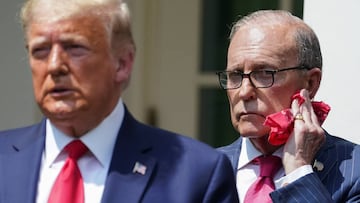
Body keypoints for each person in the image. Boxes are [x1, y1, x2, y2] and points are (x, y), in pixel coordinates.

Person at [0, 0, 239, 202]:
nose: (54, 66)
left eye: (74, 48)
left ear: (122, 64)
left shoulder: (197, 174)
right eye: (40, 50)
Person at [217, 10, 360, 202]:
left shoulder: (354, 171)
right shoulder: (200, 170)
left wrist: (299, 171)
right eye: (235, 75)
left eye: (265, 73)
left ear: (309, 84)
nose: (244, 92)